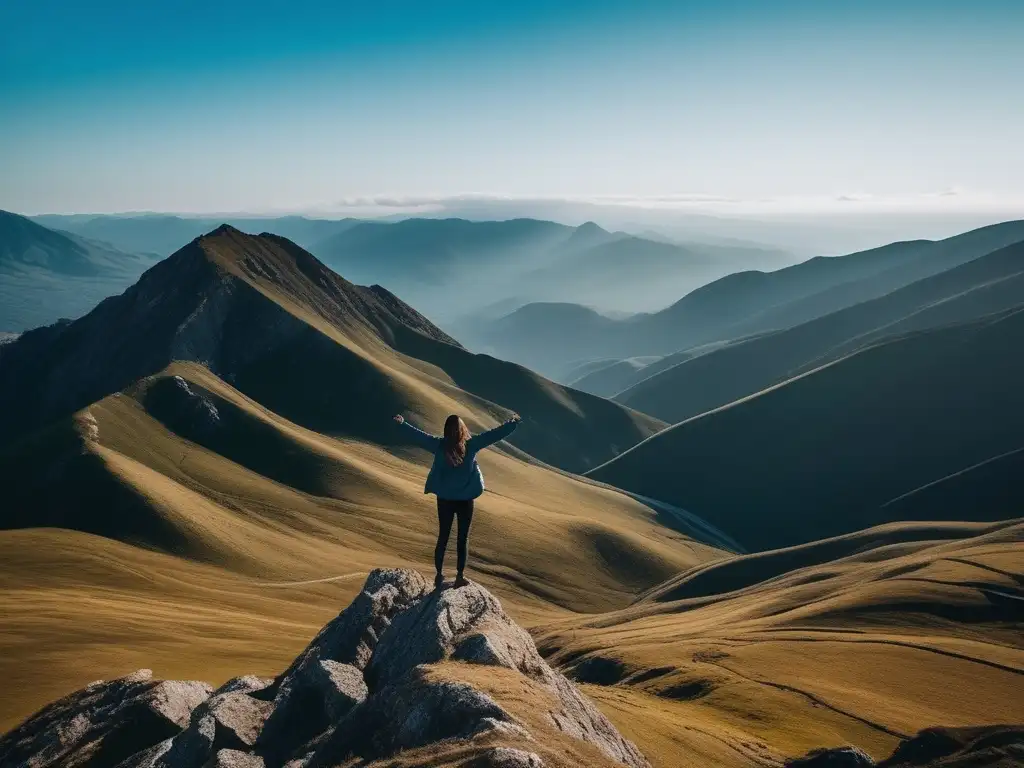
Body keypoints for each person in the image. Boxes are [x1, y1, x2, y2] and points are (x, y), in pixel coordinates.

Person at [393, 411, 521, 589]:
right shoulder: (471, 445)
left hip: (444, 499)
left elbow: (419, 436)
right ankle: (459, 576)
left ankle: (439, 576)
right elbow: (494, 435)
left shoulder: (438, 445)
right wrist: (512, 424)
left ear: (445, 430)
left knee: (443, 536)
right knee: (462, 538)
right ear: (462, 430)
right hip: (465, 499)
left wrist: (402, 424)